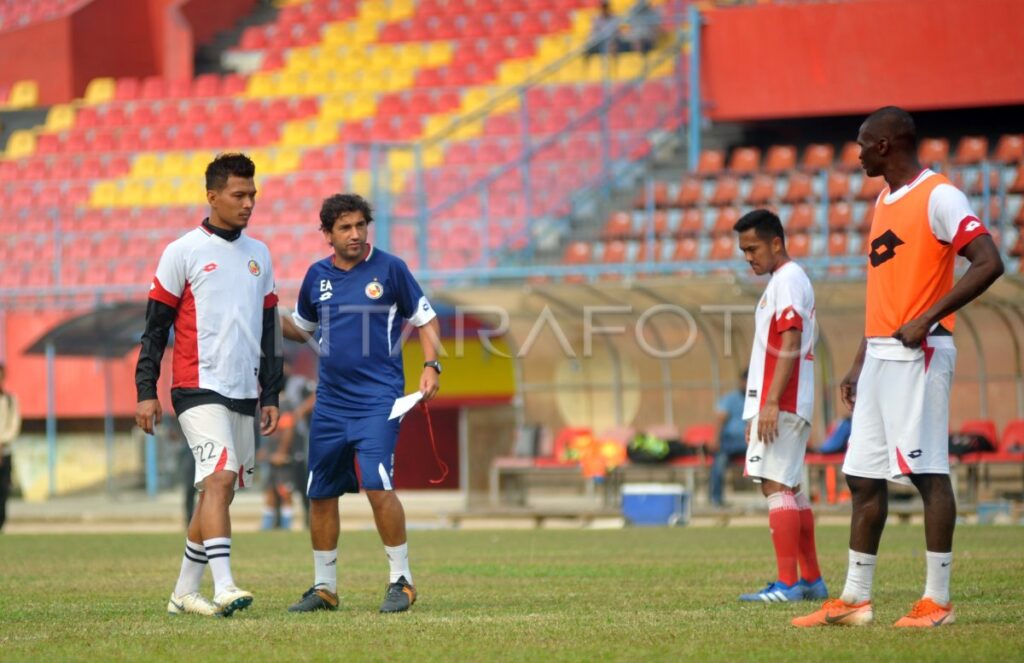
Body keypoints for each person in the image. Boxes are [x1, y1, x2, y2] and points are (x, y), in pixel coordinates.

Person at [794, 107, 1004, 628]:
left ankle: (938, 601)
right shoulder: (884, 201)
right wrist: (859, 361)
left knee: (927, 472)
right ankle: (855, 598)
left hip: (921, 352)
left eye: (863, 143)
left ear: (885, 145)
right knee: (862, 477)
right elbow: (886, 294)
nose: (858, 153)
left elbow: (989, 261)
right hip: (880, 357)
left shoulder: (940, 195)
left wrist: (928, 317)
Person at [135, 153, 283, 617]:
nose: (248, 203)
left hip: (244, 390)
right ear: (212, 196)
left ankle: (183, 592)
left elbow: (269, 329)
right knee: (219, 477)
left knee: (219, 491)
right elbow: (155, 328)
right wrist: (146, 390)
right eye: (239, 195)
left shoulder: (260, 254)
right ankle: (224, 586)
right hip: (195, 387)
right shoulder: (183, 251)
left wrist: (271, 393)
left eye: (252, 194)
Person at [281, 193, 441, 614]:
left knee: (377, 485)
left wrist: (432, 365)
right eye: (345, 228)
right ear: (327, 234)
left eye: (360, 226)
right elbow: (301, 328)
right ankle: (324, 588)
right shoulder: (316, 276)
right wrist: (264, 312)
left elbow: (425, 319)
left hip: (378, 402)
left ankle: (401, 581)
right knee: (320, 493)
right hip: (330, 404)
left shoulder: (390, 268)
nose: (355, 234)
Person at [734, 209, 826, 604]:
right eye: (743, 250)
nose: (748, 257)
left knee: (775, 486)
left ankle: (788, 584)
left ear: (776, 242)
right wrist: (755, 408)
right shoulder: (785, 280)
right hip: (783, 400)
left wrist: (771, 402)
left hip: (783, 401)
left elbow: (790, 340)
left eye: (753, 248)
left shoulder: (787, 279)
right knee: (790, 487)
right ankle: (812, 580)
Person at [259, 362, 315, 530]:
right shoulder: (271, 394)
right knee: (272, 487)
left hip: (294, 445)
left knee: (293, 485)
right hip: (274, 445)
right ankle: (274, 523)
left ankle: (302, 520)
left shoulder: (296, 387)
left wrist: (301, 411)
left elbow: (289, 427)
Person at [708, 369, 747, 507]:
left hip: (750, 442)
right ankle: (716, 500)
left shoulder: (758, 398)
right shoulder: (731, 398)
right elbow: (720, 419)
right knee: (719, 462)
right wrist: (715, 439)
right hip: (730, 441)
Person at [0, 363, 21, 532]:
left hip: (4, 452)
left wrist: (1, 442)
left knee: (3, 490)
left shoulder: (10, 401)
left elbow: (14, 426)